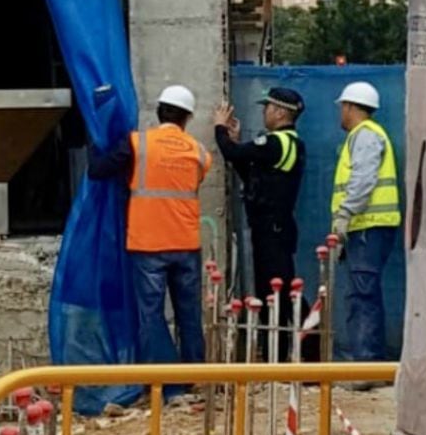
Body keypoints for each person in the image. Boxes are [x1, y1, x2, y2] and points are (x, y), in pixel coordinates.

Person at [88, 85, 211, 375]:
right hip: (186, 245)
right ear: (188, 118)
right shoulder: (200, 153)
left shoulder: (137, 144)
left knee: (152, 316)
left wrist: (96, 138)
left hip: (148, 245)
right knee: (190, 315)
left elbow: (98, 170)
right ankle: (196, 376)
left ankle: (166, 383)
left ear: (158, 112)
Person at [212, 87, 306, 361]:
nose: (264, 112)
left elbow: (232, 154)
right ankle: (274, 357)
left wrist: (220, 128)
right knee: (275, 293)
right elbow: (254, 178)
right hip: (274, 229)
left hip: (272, 231)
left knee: (274, 295)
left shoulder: (277, 142)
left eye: (267, 108)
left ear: (280, 112)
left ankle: (277, 359)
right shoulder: (285, 145)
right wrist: (238, 142)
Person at [331, 81, 401, 370]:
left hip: (368, 227)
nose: (340, 114)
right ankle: (365, 362)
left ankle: (367, 364)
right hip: (367, 228)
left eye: (342, 108)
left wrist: (345, 213)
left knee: (363, 296)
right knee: (361, 294)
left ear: (349, 107)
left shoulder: (366, 136)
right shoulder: (366, 135)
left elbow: (363, 179)